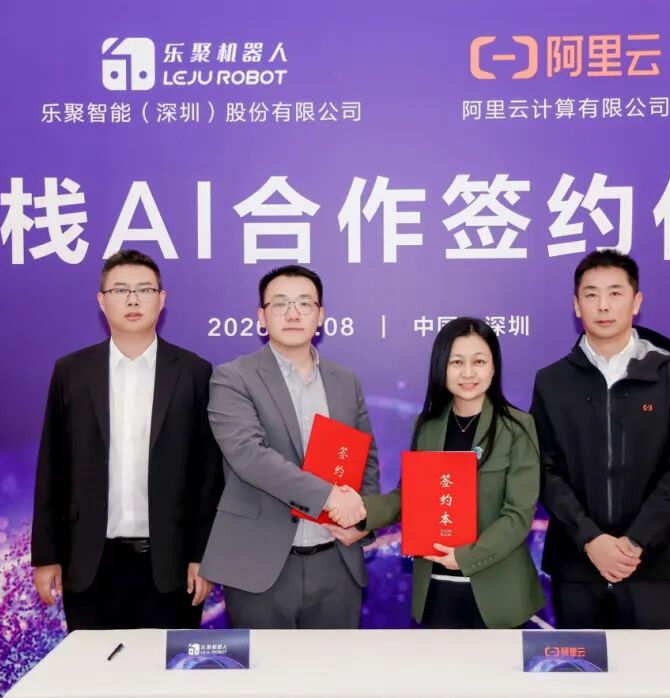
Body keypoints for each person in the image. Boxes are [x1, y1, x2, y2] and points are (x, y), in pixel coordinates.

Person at [31, 250, 224, 630]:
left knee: (167, 669)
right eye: (120, 290)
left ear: (161, 299)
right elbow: (52, 465)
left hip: (171, 565)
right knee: (94, 667)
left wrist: (204, 555)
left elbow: (208, 474)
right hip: (89, 562)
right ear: (102, 301)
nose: (133, 300)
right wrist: (47, 556)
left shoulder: (194, 372)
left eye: (144, 290)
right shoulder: (72, 372)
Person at [200, 265, 379, 629]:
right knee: (264, 669)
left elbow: (367, 459)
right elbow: (249, 456)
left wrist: (365, 519)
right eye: (280, 304)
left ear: (320, 315)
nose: (293, 314)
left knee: (334, 666)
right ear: (261, 317)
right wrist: (329, 496)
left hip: (337, 561)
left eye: (304, 303)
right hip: (259, 566)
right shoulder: (233, 377)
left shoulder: (345, 380)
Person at [529, 249, 670, 630]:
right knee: (582, 668)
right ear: (577, 305)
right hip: (577, 565)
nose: (603, 305)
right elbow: (544, 470)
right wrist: (591, 539)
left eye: (615, 293)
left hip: (652, 565)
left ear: (636, 302)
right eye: (591, 294)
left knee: (650, 669)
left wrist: (633, 543)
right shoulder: (552, 382)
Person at [345, 317, 544, 629]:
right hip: (436, 590)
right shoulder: (427, 426)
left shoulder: (518, 427)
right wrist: (357, 512)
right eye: (456, 362)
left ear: (493, 367)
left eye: (479, 361)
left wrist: (465, 557)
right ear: (442, 367)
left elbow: (518, 516)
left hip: (499, 596)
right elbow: (407, 497)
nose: (468, 373)